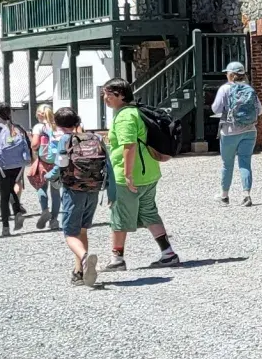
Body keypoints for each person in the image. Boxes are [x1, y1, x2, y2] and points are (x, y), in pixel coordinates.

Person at [101, 79, 180, 271]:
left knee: (119, 216)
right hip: (149, 173)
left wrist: (127, 175)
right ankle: (168, 253)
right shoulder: (136, 112)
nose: (105, 99)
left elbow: (129, 145)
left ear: (120, 95)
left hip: (128, 176)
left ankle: (117, 259)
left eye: (108, 94)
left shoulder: (125, 117)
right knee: (149, 212)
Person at [47, 105, 106, 286]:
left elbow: (60, 164)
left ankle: (84, 258)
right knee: (82, 230)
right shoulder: (95, 137)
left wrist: (49, 176)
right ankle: (79, 272)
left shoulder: (65, 140)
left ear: (57, 124)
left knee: (70, 233)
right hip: (94, 188)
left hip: (73, 190)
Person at [210, 60, 261, 206]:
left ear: (231, 75)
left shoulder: (225, 89)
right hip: (250, 130)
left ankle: (224, 196)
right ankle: (246, 195)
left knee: (227, 164)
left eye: (227, 73)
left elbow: (216, 109)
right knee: (245, 162)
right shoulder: (249, 89)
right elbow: (260, 109)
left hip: (230, 131)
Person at [0, 106, 33, 234]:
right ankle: (17, 211)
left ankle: (5, 227)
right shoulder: (19, 128)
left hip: (3, 166)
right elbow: (28, 146)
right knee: (10, 189)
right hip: (19, 165)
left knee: (4, 195)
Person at [29, 103, 58, 229]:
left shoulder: (39, 127)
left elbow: (34, 145)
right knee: (56, 191)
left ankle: (45, 210)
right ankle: (54, 220)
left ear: (39, 115)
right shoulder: (58, 126)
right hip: (58, 162)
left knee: (41, 186)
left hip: (43, 161)